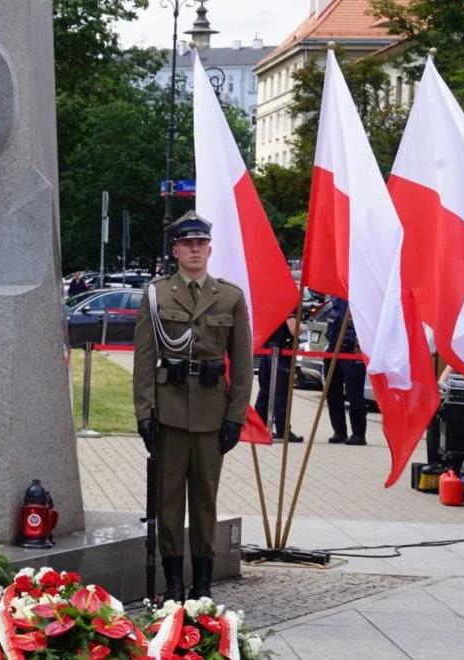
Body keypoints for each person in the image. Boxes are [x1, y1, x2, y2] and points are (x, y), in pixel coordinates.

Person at [133, 211, 253, 602]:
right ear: (176, 250)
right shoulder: (156, 294)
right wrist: (145, 413)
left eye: (200, 243)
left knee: (204, 501)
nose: (195, 250)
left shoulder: (231, 297)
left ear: (209, 248)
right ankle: (173, 584)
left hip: (210, 417)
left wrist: (236, 417)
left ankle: (202, 583)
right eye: (187, 244)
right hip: (168, 414)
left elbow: (243, 363)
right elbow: (144, 360)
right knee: (169, 502)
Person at [324, 296, 367, 445]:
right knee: (332, 392)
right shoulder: (336, 294)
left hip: (352, 348)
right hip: (333, 347)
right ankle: (339, 431)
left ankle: (358, 434)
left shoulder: (360, 292)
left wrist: (359, 342)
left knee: (354, 394)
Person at [255, 320, 303, 443]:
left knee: (264, 392)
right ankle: (283, 431)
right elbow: (294, 330)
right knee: (281, 394)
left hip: (267, 350)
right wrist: (301, 329)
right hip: (280, 353)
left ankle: (258, 429)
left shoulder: (269, 303)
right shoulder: (289, 305)